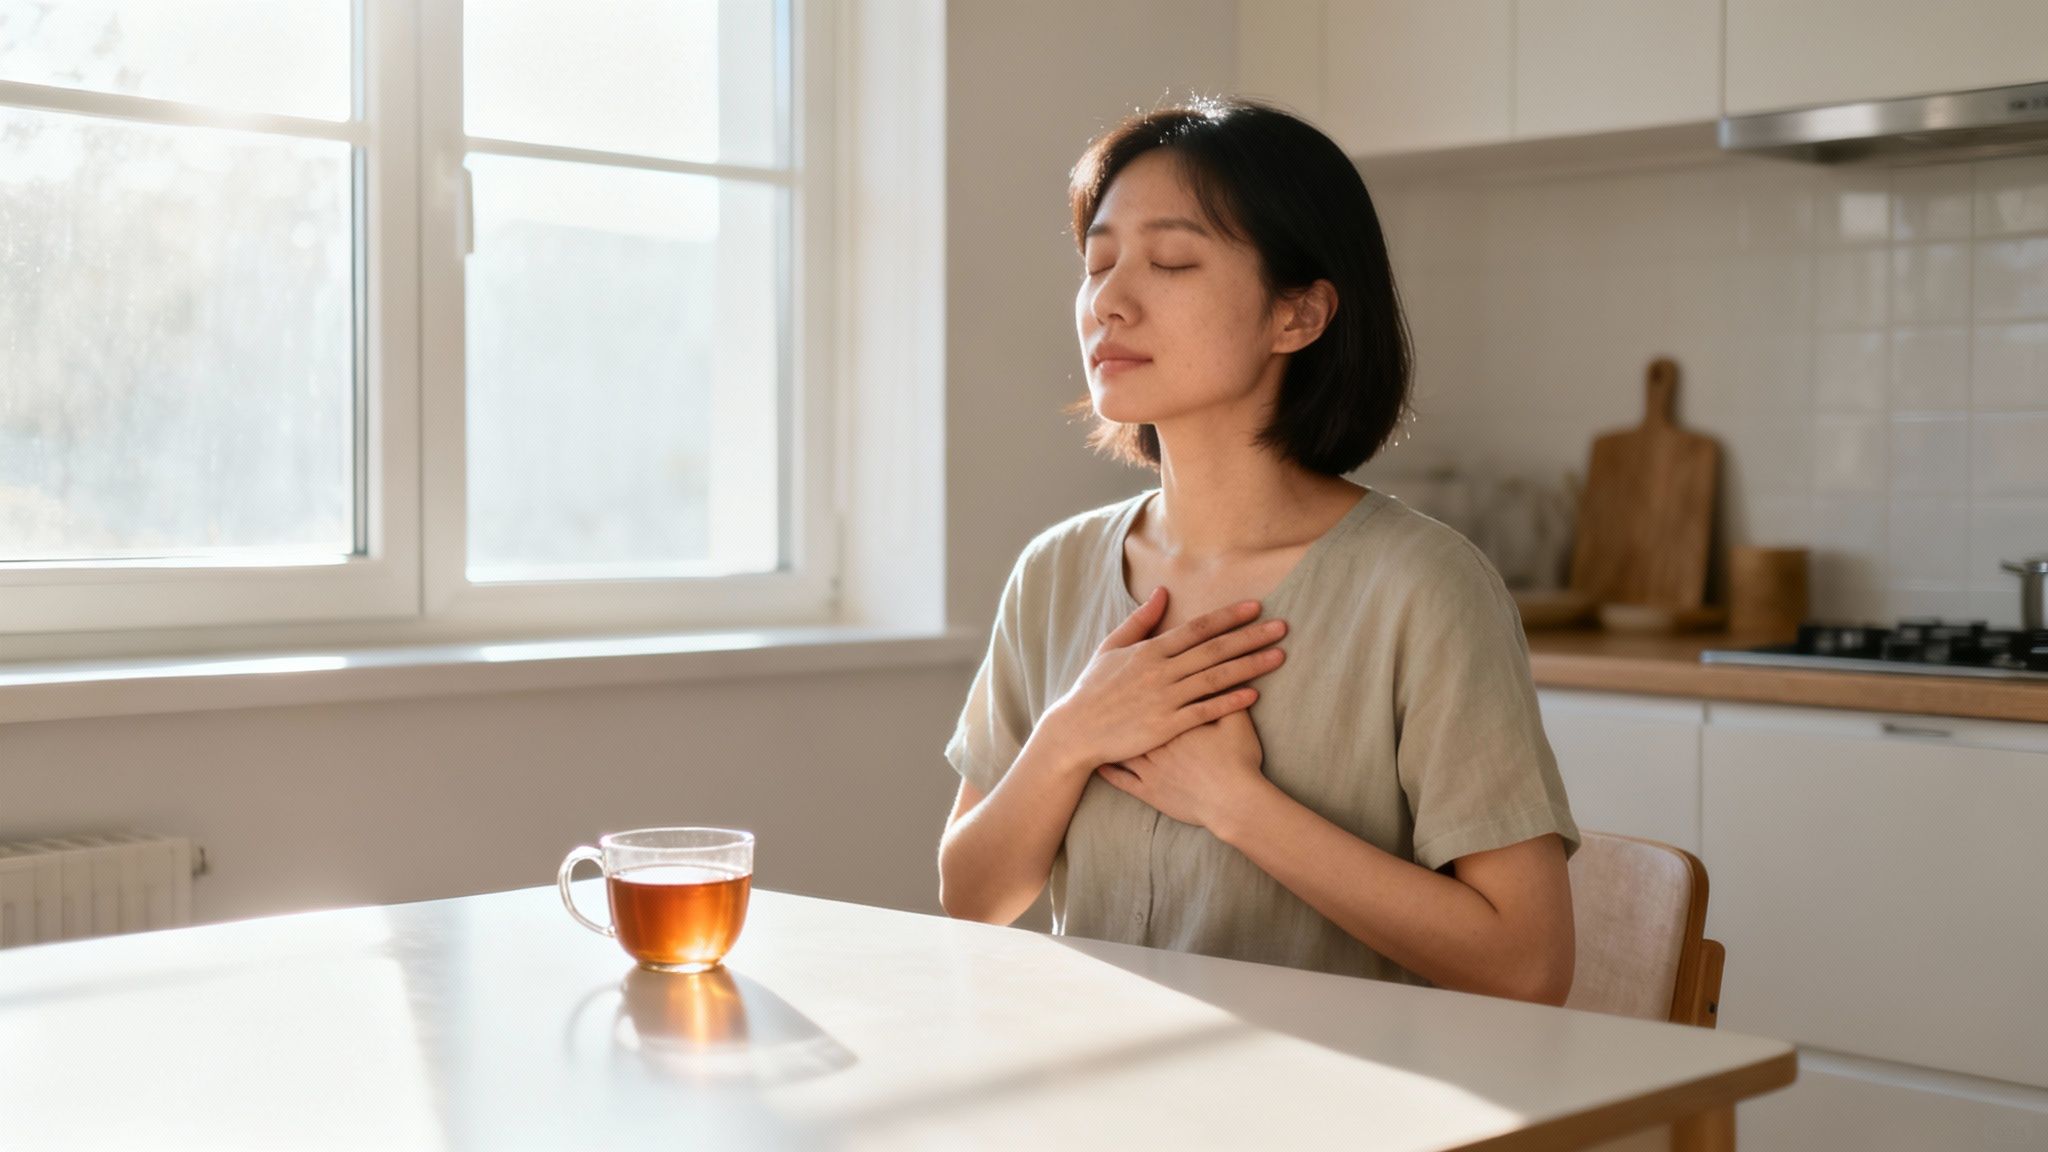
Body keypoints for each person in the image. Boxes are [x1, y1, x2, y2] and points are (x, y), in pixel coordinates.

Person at [936, 98, 1581, 1005]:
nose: (1108, 302)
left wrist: (1236, 805)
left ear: (1300, 315)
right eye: (1099, 263)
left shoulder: (1423, 588)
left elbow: (1527, 967)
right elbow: (971, 899)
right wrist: (1072, 736)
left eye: (1170, 262)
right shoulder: (1055, 571)